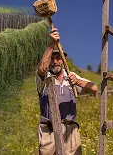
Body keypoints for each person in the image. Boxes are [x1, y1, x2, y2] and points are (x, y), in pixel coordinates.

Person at [36, 27, 98, 155]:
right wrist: (52, 43)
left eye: (58, 57)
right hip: (49, 131)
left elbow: (94, 88)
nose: (55, 61)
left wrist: (78, 82)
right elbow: (41, 69)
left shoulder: (71, 76)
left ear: (64, 59)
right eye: (51, 58)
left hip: (70, 131)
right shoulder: (43, 78)